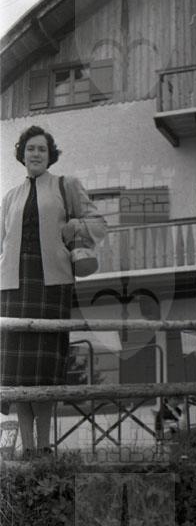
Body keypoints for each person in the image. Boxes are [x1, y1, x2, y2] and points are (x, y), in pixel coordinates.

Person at [0, 125, 106, 457]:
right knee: (19, 373)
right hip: (13, 287)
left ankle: (44, 446)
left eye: (41, 149)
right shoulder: (9, 198)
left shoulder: (65, 185)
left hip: (51, 284)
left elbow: (99, 223)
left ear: (50, 155)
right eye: (30, 148)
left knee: (43, 370)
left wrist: (76, 225)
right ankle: (28, 449)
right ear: (22, 154)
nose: (35, 154)